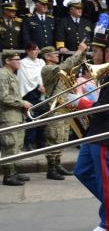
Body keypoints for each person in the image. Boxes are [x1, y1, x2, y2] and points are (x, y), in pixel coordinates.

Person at [72, 29, 109, 231]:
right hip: (96, 129)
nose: (93, 55)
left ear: (107, 52)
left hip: (107, 129)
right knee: (82, 170)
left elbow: (103, 107)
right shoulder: (105, 74)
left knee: (105, 178)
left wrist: (79, 102)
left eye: (96, 51)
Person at [41, 43, 88, 180]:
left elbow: (74, 65)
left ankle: (58, 164)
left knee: (62, 138)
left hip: (64, 107)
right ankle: (51, 169)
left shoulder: (57, 68)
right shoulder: (47, 69)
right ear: (47, 56)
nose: (57, 55)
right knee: (53, 138)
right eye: (54, 54)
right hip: (55, 108)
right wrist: (78, 50)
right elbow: (66, 65)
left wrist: (83, 53)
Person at [0, 51, 31, 186]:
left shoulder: (12, 74)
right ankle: (9, 176)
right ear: (7, 61)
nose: (19, 61)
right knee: (9, 145)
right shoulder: (3, 75)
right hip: (7, 116)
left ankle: (14, 172)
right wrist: (22, 103)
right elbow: (3, 97)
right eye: (16, 59)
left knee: (16, 145)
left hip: (16, 115)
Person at [17, 43, 45, 151]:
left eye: (37, 49)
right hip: (30, 93)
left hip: (42, 92)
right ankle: (28, 142)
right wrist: (37, 85)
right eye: (33, 50)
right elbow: (24, 78)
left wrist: (43, 85)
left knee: (42, 118)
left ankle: (40, 142)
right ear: (28, 51)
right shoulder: (23, 63)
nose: (36, 52)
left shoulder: (41, 62)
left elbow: (42, 75)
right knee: (31, 118)